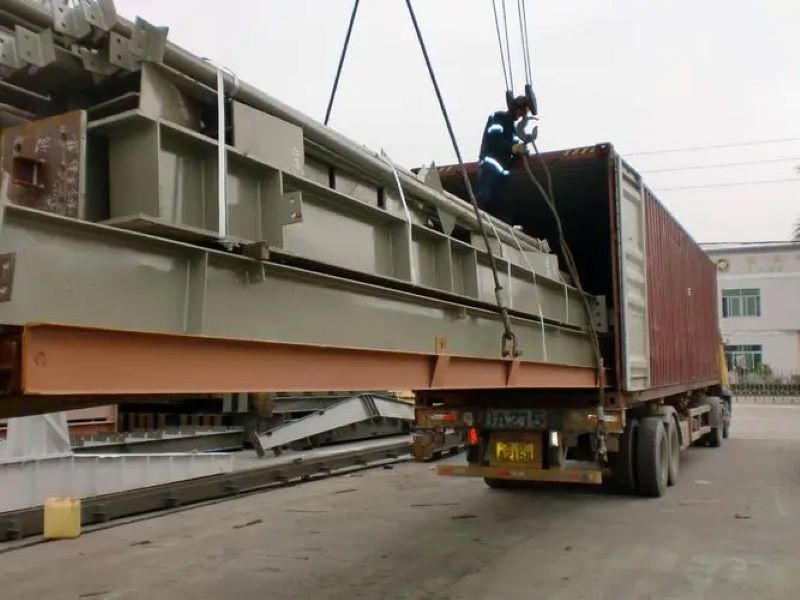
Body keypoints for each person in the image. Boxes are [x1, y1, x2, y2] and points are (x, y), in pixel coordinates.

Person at [475, 96, 531, 225]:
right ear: (516, 108)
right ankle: (477, 222)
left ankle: (506, 230)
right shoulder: (499, 118)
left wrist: (523, 151)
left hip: (502, 171)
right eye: (521, 112)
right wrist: (512, 147)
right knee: (483, 197)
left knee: (505, 205)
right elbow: (494, 140)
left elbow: (514, 147)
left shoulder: (513, 129)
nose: (521, 116)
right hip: (490, 165)